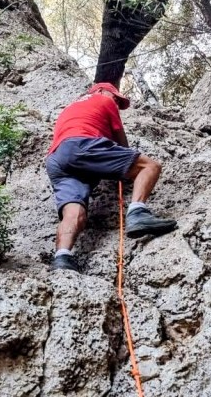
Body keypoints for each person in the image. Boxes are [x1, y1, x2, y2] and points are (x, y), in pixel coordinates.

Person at [45, 82, 177, 272]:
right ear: (99, 90)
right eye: (115, 96)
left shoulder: (70, 108)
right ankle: (137, 213)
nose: (116, 101)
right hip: (81, 145)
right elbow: (122, 144)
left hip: (57, 159)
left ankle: (62, 258)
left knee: (74, 213)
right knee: (149, 166)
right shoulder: (103, 100)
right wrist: (123, 169)